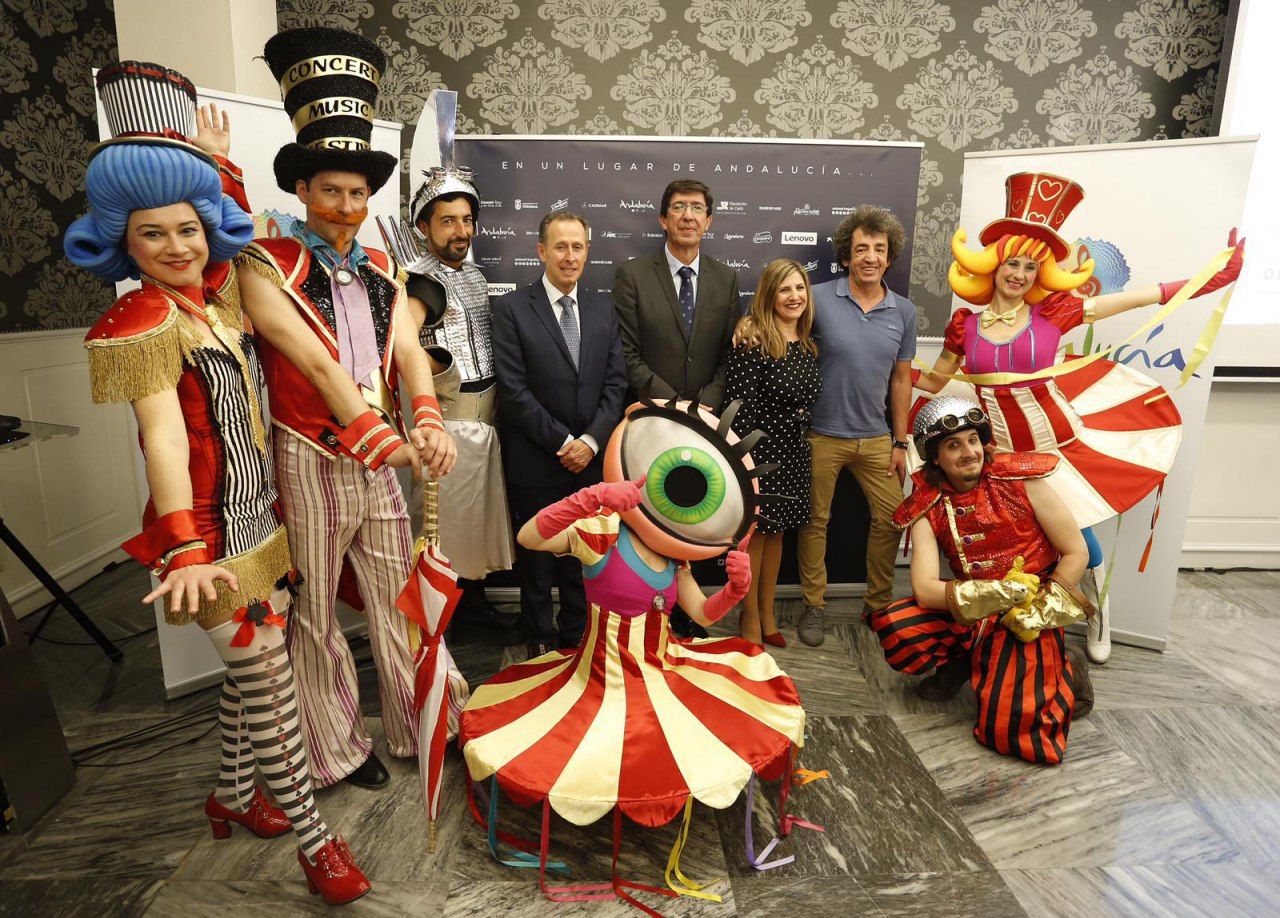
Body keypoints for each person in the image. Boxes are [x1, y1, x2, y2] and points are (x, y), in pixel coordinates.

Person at [65, 62, 369, 904]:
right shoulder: (139, 320)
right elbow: (163, 442)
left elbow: (226, 237)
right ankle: (317, 841)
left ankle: (229, 799)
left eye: (188, 229)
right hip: (199, 540)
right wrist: (188, 550)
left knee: (246, 685)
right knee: (271, 688)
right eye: (152, 234)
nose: (176, 246)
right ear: (120, 241)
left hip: (256, 528)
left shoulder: (214, 302)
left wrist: (213, 168)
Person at [457, 400, 806, 906]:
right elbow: (530, 536)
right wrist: (591, 497)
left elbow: (703, 618)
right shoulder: (603, 533)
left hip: (664, 668)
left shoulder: (674, 555)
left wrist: (733, 590)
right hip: (597, 678)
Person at [237, 27, 456, 792]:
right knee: (319, 613)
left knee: (400, 597)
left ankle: (420, 720)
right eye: (331, 191)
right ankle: (336, 748)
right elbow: (318, 365)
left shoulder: (383, 265)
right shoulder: (265, 264)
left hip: (381, 456)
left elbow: (405, 354)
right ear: (303, 190)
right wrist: (388, 439)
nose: (346, 208)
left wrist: (424, 416)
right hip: (312, 455)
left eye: (358, 194)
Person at [917, 171, 1241, 663]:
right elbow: (935, 381)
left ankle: (1096, 609)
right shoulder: (964, 325)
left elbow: (1139, 297)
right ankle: (994, 620)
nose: (1019, 274)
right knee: (1007, 538)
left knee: (1080, 540)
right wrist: (880, 372)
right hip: (998, 453)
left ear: (1040, 273)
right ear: (993, 266)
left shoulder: (1055, 313)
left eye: (1030, 266)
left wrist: (1207, 279)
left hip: (1057, 442)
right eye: (1012, 263)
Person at [868, 397, 1095, 765]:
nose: (968, 452)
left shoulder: (1023, 482)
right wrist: (998, 592)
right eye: (953, 445)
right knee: (898, 627)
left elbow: (1075, 552)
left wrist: (1040, 609)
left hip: (1030, 612)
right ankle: (968, 659)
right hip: (976, 609)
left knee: (1015, 735)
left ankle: (1067, 667)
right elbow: (925, 589)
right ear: (935, 456)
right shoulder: (927, 507)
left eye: (972, 440)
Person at [490, 212, 628, 658]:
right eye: (561, 247)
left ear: (588, 251)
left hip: (589, 459)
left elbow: (615, 384)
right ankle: (540, 638)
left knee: (582, 552)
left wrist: (589, 442)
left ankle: (576, 633)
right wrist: (561, 442)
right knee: (536, 558)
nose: (570, 257)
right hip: (537, 456)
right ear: (541, 251)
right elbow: (513, 391)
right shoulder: (511, 309)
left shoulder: (603, 308)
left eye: (578, 247)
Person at [613, 178, 742, 638]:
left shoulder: (726, 279)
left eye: (697, 208)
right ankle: (648, 607)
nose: (688, 215)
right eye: (678, 207)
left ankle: (689, 613)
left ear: (709, 220)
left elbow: (731, 355)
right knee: (652, 514)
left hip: (708, 422)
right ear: (663, 218)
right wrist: (669, 404)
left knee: (697, 513)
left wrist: (704, 404)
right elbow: (626, 352)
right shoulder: (632, 274)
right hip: (651, 421)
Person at [405, 165, 520, 645]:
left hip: (485, 416)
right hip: (448, 418)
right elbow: (401, 346)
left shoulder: (472, 274)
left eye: (467, 220)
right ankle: (437, 620)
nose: (461, 231)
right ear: (425, 227)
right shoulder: (420, 280)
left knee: (474, 521)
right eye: (448, 221)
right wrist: (432, 368)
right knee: (444, 523)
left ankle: (471, 606)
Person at [794, 206, 917, 648]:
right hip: (821, 435)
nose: (870, 256)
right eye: (861, 248)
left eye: (879, 249)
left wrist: (901, 441)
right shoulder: (818, 297)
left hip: (878, 438)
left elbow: (901, 379)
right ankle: (814, 605)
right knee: (814, 522)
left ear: (889, 257)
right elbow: (784, 330)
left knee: (891, 518)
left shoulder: (903, 312)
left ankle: (878, 606)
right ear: (845, 256)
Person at [723, 259, 821, 647]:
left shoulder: (808, 342)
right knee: (755, 538)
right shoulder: (752, 340)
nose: (793, 297)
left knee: (777, 536)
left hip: (795, 452)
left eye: (799, 288)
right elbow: (739, 409)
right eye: (784, 289)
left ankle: (767, 613)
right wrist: (747, 464)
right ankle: (748, 616)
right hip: (760, 454)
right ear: (769, 294)